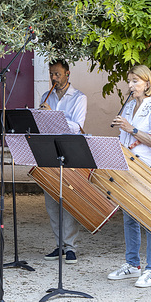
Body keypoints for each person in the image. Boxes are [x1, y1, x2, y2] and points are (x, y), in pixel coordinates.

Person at [108, 64, 151, 288]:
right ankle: (133, 265)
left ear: (147, 83)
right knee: (130, 217)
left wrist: (131, 128)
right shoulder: (129, 106)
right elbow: (123, 138)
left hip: (149, 166)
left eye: (135, 81)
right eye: (129, 81)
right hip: (128, 165)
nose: (130, 85)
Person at [38, 59, 87, 264]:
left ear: (68, 74)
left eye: (57, 74)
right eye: (51, 74)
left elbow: (77, 126)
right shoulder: (45, 96)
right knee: (51, 201)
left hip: (70, 150)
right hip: (50, 149)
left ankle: (71, 247)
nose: (54, 78)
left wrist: (53, 116)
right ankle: (59, 245)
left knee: (68, 199)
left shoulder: (79, 97)